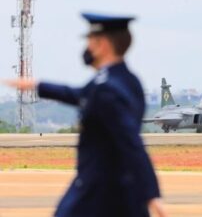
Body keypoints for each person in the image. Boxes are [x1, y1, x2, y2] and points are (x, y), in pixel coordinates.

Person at [2, 12, 166, 217]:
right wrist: (38, 86)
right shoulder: (127, 81)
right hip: (119, 190)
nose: (87, 48)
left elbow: (131, 142)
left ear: (103, 45)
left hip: (99, 192)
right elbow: (81, 95)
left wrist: (152, 194)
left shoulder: (107, 89)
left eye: (90, 41)